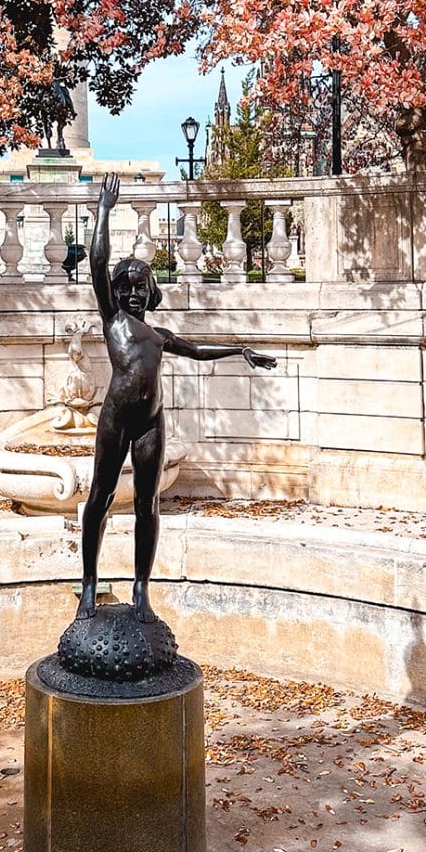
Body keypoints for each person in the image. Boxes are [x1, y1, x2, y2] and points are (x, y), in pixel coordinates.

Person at [77, 173, 276, 624]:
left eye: (138, 287)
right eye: (124, 286)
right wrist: (104, 210)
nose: (130, 293)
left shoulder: (160, 335)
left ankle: (141, 588)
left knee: (148, 504)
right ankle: (89, 585)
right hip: (115, 419)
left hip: (151, 423)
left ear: (152, 291)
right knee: (100, 497)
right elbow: (96, 261)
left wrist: (240, 351)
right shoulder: (113, 322)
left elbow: (199, 351)